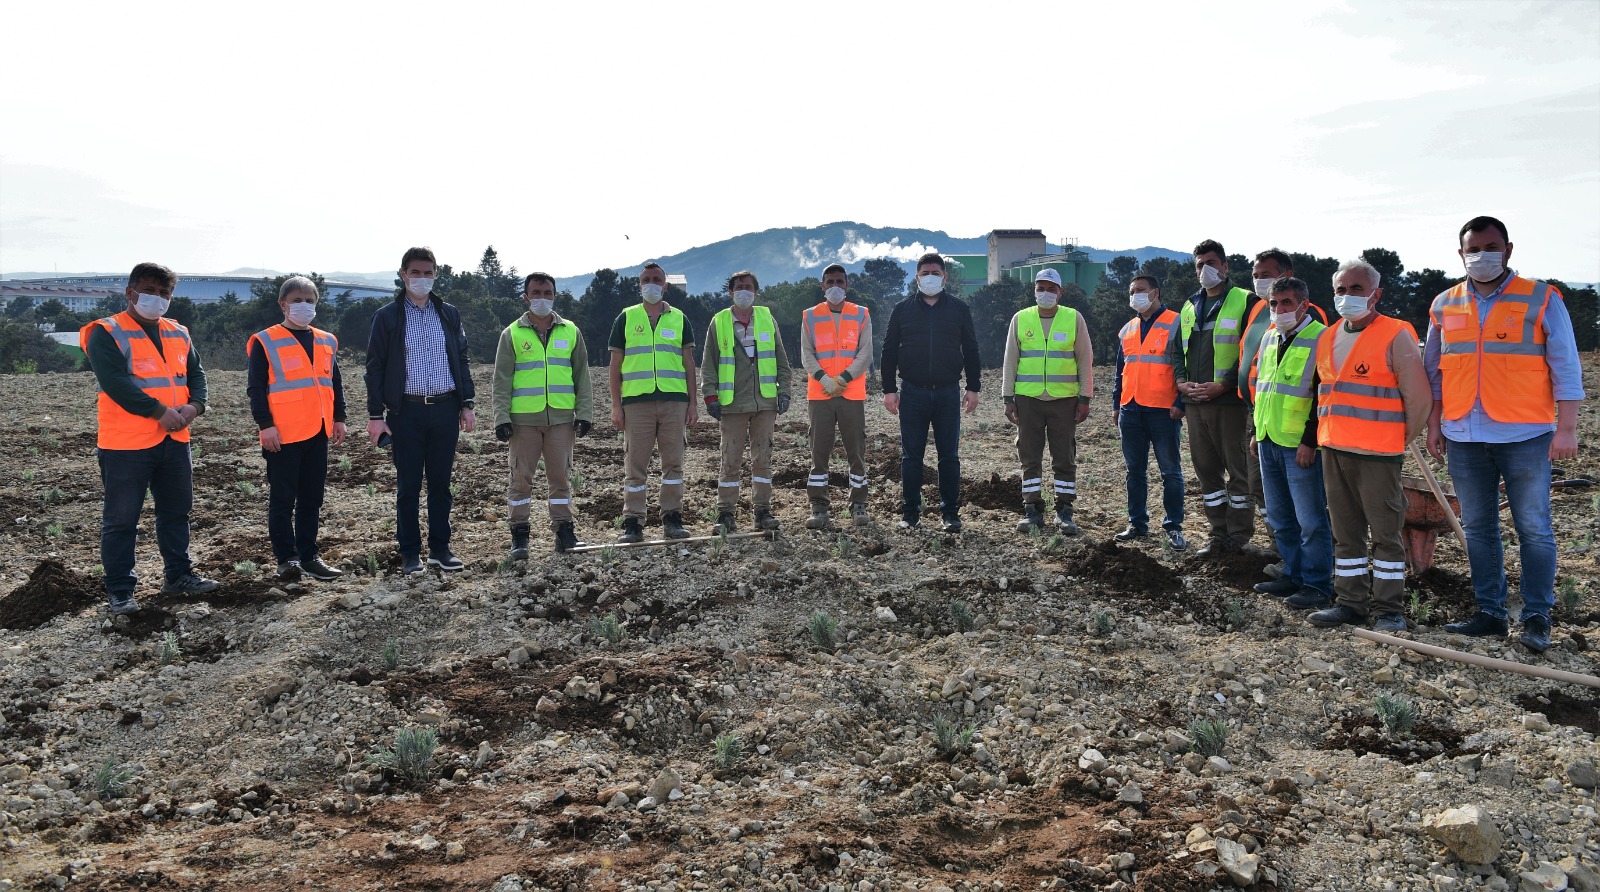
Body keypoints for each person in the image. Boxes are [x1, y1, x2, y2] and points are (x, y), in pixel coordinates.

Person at [1425, 216, 1586, 652]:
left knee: (1534, 528)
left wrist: (1566, 428)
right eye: (1473, 248)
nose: (1481, 255)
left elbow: (1566, 366)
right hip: (1463, 433)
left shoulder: (1541, 298)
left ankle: (1537, 615)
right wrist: (1434, 423)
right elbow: (1435, 373)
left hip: (1526, 434)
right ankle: (1490, 613)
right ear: (1460, 254)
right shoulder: (1443, 304)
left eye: (1490, 246)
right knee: (1478, 528)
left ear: (1508, 250)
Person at [79, 262, 219, 614]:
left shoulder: (178, 331)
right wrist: (160, 412)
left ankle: (178, 576)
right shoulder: (106, 332)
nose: (157, 298)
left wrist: (196, 406)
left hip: (174, 441)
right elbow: (116, 384)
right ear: (130, 292)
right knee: (121, 520)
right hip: (126, 444)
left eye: (164, 293)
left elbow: (196, 374)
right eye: (150, 291)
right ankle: (121, 590)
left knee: (176, 513)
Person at [1305, 260, 1430, 632]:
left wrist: (1396, 440)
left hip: (1378, 454)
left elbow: (1419, 400)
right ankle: (1350, 602)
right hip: (1336, 449)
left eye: (1356, 289)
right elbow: (1326, 393)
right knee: (1346, 533)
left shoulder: (1395, 335)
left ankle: (1389, 608)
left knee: (1386, 536)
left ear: (1375, 294)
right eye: (1341, 290)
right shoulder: (1328, 336)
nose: (1347, 296)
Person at [365, 247, 476, 574]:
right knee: (409, 486)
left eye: (428, 273)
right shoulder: (387, 317)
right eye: (416, 272)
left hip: (445, 410)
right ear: (403, 274)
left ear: (435, 275)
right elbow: (374, 367)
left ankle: (440, 550)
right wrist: (375, 416)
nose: (422, 279)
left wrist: (466, 403)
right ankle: (410, 553)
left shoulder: (448, 313)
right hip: (406, 413)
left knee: (441, 484)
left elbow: (462, 359)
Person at [247, 276, 347, 583]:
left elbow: (335, 382)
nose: (304, 305)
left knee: (311, 498)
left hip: (317, 432)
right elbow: (256, 388)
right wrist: (265, 426)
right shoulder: (266, 340)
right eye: (297, 300)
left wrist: (339, 419)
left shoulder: (326, 340)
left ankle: (309, 556)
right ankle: (286, 559)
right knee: (282, 500)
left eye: (310, 300)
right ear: (283, 304)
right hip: (282, 435)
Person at [1247, 277, 1333, 611]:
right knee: (1281, 516)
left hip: (1300, 444)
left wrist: (1310, 441)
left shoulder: (1320, 338)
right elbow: (1264, 387)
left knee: (1310, 519)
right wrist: (1257, 430)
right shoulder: (1269, 337)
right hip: (1268, 438)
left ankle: (1317, 583)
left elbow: (1322, 396)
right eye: (1274, 303)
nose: (1279, 310)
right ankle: (1293, 574)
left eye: (1286, 303)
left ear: (1304, 305)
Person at [493, 272, 592, 557]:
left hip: (562, 420)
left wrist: (584, 412)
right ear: (526, 297)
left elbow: (581, 375)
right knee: (521, 479)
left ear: (554, 296)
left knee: (560, 477)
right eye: (536, 293)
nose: (542, 298)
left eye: (547, 293)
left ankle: (564, 533)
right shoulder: (512, 333)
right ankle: (520, 537)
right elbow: (501, 380)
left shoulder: (571, 331)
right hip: (523, 422)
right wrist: (501, 417)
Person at [881, 252, 981, 532]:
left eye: (935, 273)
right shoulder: (901, 310)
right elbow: (888, 351)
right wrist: (889, 390)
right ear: (917, 277)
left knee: (949, 456)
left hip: (948, 392)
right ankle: (910, 514)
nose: (930, 278)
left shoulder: (959, 309)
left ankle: (950, 513)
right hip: (912, 392)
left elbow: (971, 349)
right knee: (911, 457)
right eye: (925, 273)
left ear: (944, 277)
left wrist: (973, 387)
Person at [1173, 239, 1258, 556]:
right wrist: (1181, 383)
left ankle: (1238, 536)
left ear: (1225, 266)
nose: (1205, 270)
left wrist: (1224, 384)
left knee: (1237, 473)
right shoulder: (1189, 306)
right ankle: (1217, 534)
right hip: (1195, 403)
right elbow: (1176, 351)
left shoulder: (1245, 301)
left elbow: (1250, 352)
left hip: (1228, 403)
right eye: (1199, 265)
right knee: (1207, 473)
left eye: (1211, 263)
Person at [609, 262, 698, 542]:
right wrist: (615, 405)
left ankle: (672, 518)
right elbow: (615, 366)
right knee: (635, 466)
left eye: (656, 279)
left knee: (673, 464)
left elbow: (688, 364)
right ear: (639, 285)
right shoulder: (625, 318)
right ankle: (633, 522)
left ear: (665, 285)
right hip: (637, 404)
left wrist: (693, 404)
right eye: (646, 279)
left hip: (674, 403)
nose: (651, 283)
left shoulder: (680, 318)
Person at [1002, 269, 1093, 534]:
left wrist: (1084, 397)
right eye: (1041, 288)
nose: (1046, 293)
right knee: (1029, 457)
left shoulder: (1073, 318)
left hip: (1063, 400)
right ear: (1034, 290)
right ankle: (1032, 510)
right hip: (1027, 399)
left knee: (1064, 457)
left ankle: (1064, 511)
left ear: (1060, 292)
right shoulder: (1021, 319)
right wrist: (1008, 398)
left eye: (1051, 289)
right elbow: (1010, 360)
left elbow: (1085, 360)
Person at [702, 270, 792, 533]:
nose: (744, 291)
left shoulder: (766, 319)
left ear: (756, 291)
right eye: (739, 287)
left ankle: (762, 512)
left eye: (748, 286)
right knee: (730, 459)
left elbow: (781, 360)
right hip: (732, 404)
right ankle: (725, 513)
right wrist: (710, 396)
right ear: (730, 292)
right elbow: (709, 364)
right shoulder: (718, 322)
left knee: (762, 459)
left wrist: (783, 391)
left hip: (764, 403)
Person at [1113, 275, 1187, 550]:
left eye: (1140, 291)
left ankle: (1174, 526)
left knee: (1171, 472)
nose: (1135, 296)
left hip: (1164, 410)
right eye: (1132, 291)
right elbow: (1121, 371)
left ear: (1155, 292)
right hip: (1130, 409)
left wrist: (1181, 402)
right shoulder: (1128, 328)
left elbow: (1183, 365)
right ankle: (1137, 523)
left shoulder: (1176, 322)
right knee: (1135, 472)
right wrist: (1115, 405)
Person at [800, 263, 874, 530]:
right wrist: (823, 379)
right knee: (819, 451)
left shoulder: (862, 314)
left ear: (847, 285)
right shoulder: (809, 315)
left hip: (851, 394)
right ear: (822, 286)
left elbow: (865, 353)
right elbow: (806, 353)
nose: (834, 286)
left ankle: (858, 504)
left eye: (839, 282)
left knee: (856, 451)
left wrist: (843, 379)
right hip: (820, 394)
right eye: (829, 282)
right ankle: (819, 508)